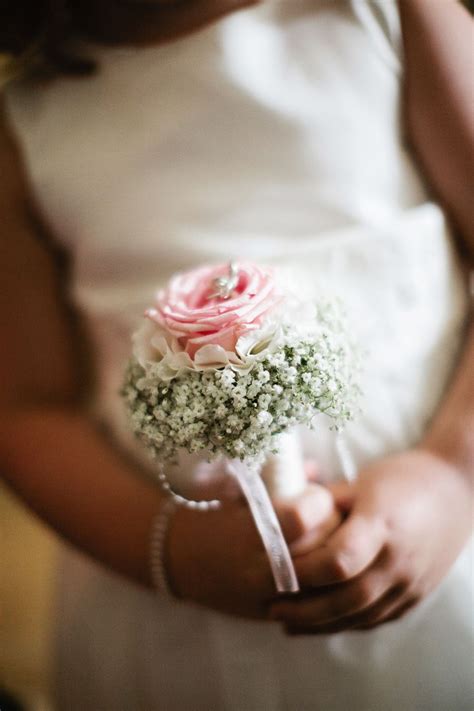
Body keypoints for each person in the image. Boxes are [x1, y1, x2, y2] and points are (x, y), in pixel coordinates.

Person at [0, 1, 472, 709]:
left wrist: (451, 474)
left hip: (441, 547)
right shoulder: (23, 122)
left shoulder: (389, 12)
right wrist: (171, 553)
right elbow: (26, 406)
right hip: (169, 608)